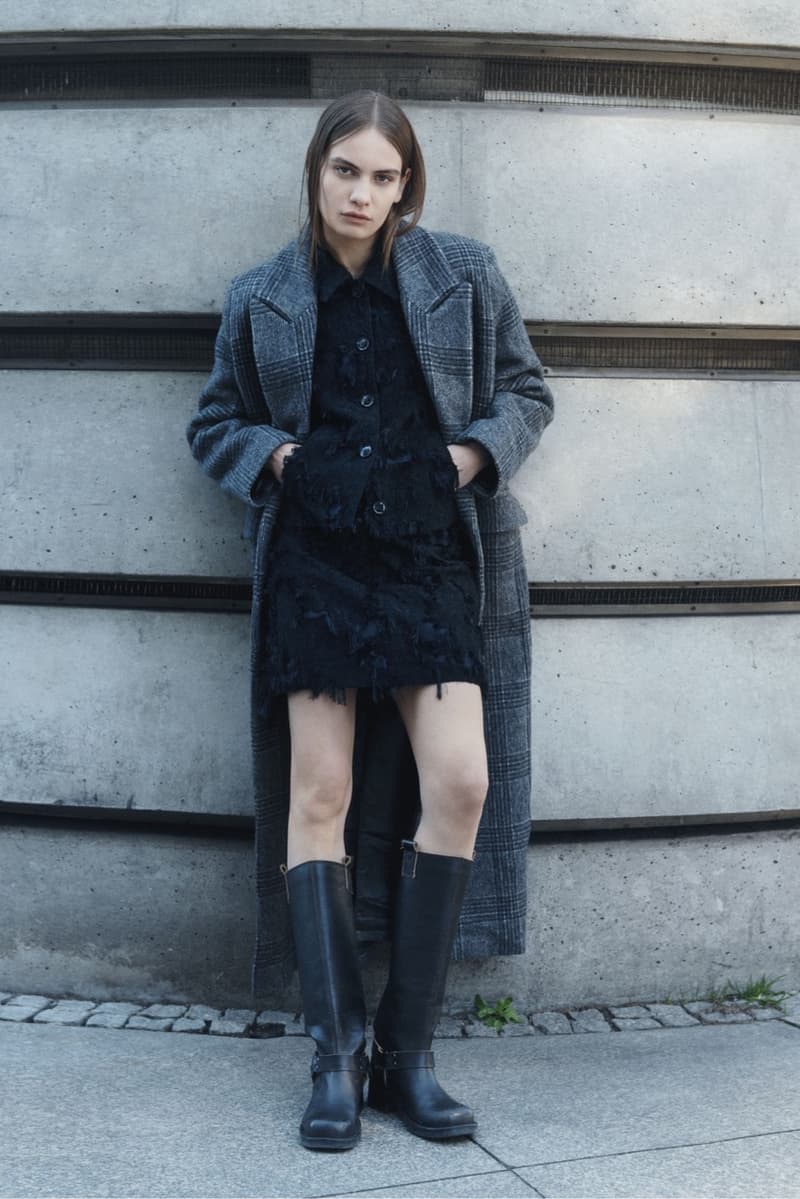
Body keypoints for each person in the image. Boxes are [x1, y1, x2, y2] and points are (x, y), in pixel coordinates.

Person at [187, 90, 554, 1151]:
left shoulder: (462, 275)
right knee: (320, 792)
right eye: (345, 169)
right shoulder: (262, 295)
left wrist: (464, 458)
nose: (362, 192)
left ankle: (408, 1055)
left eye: (383, 176)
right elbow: (214, 420)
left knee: (462, 779)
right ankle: (335, 1057)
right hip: (316, 560)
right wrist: (279, 459)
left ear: (407, 185)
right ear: (316, 170)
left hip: (432, 557)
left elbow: (526, 393)